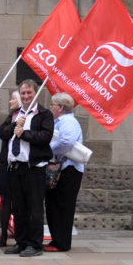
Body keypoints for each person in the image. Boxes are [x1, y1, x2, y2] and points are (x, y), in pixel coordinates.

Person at [0, 79, 53, 258]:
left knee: (34, 207)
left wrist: (25, 134)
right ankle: (21, 242)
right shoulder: (15, 114)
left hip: (34, 168)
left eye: (29, 93)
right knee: (19, 207)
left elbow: (45, 136)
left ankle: (35, 244)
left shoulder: (44, 114)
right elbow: (2, 132)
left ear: (36, 93)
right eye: (23, 93)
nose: (26, 96)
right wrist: (15, 126)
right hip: (15, 167)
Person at [44, 92, 84, 252]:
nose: (50, 107)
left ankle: (62, 242)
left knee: (63, 205)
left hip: (69, 169)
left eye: (52, 104)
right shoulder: (61, 121)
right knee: (54, 203)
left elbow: (66, 142)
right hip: (63, 168)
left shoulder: (68, 121)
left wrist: (48, 149)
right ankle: (57, 239)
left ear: (61, 107)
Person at [0, 91, 20, 247]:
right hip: (7, 163)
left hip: (20, 164)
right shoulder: (11, 116)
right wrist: (14, 125)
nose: (10, 100)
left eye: (13, 98)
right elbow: (2, 133)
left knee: (19, 201)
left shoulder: (29, 117)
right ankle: (4, 233)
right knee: (5, 199)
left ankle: (19, 233)